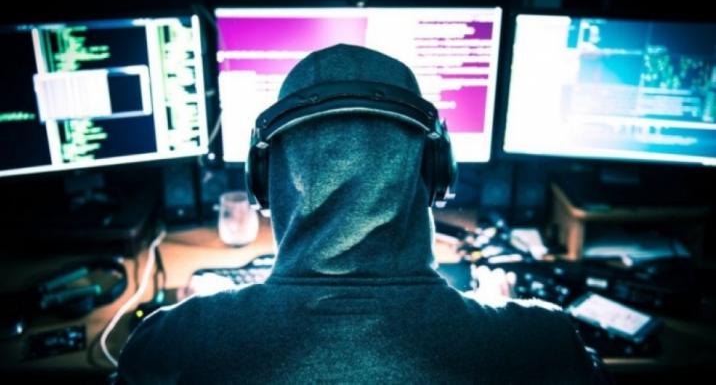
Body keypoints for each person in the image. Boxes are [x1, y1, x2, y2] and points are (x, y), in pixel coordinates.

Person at [117, 44, 609, 384]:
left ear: (262, 180)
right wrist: (494, 315)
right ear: (438, 171)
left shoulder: (174, 342)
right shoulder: (540, 342)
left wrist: (210, 316)